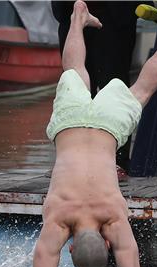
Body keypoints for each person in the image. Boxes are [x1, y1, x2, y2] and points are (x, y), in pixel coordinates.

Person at [32, 1, 157, 267]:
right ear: (71, 247)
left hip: (107, 127)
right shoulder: (58, 219)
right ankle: (78, 18)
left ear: (105, 242)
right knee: (74, 70)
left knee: (142, 91)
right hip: (71, 124)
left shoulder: (113, 219)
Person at [51, 1, 142, 178]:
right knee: (72, 85)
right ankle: (71, 160)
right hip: (70, 13)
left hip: (114, 17)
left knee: (115, 87)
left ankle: (118, 161)